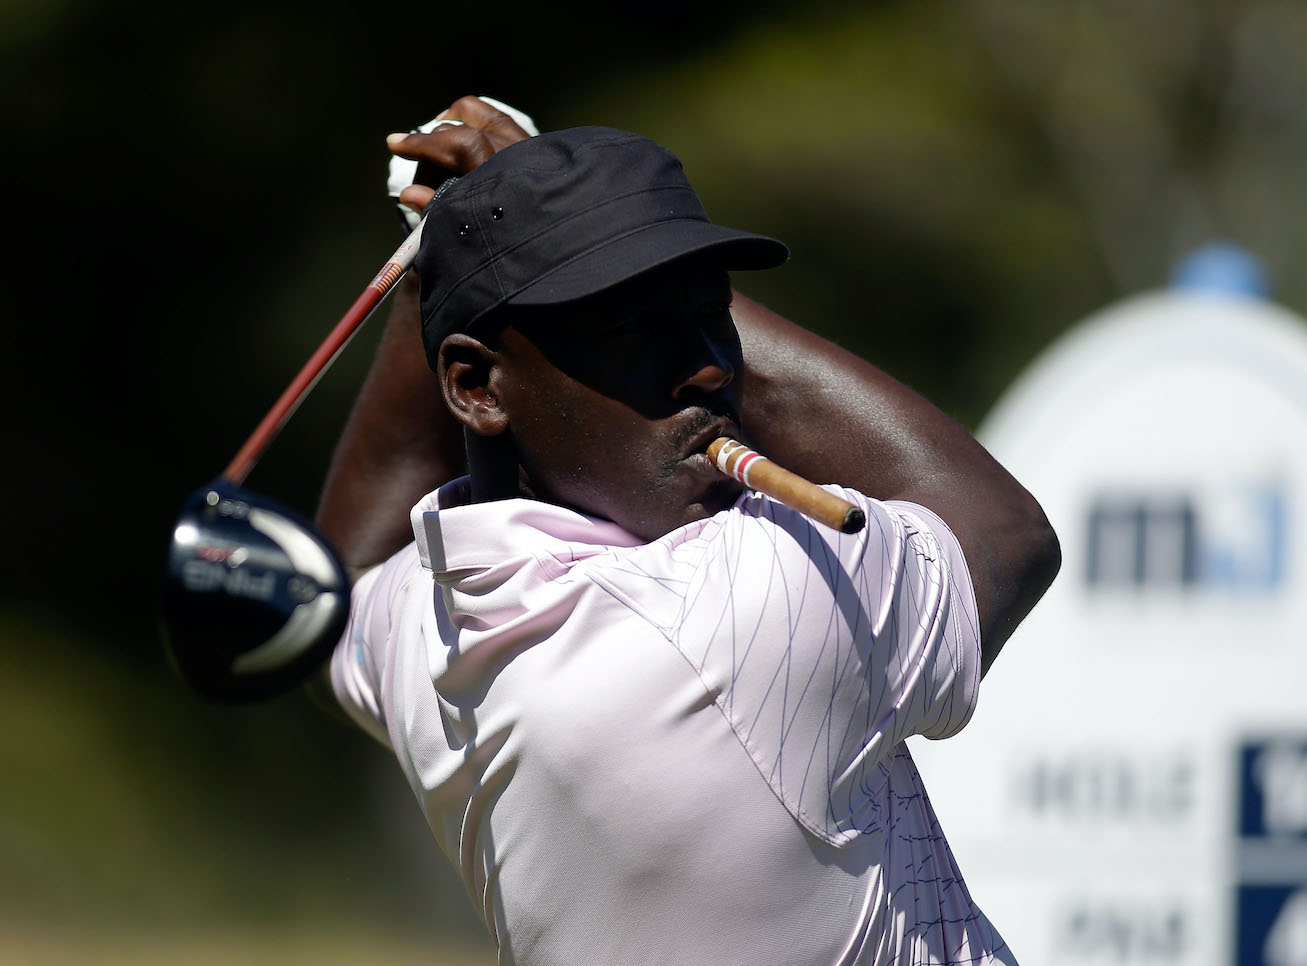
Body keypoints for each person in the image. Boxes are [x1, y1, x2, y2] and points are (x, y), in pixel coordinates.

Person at [316, 95, 1060, 966]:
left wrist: (449, 264)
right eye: (636, 326)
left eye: (710, 310)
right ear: (477, 386)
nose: (710, 362)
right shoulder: (742, 616)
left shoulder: (427, 622)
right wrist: (488, 240)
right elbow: (1003, 527)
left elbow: (333, 588)